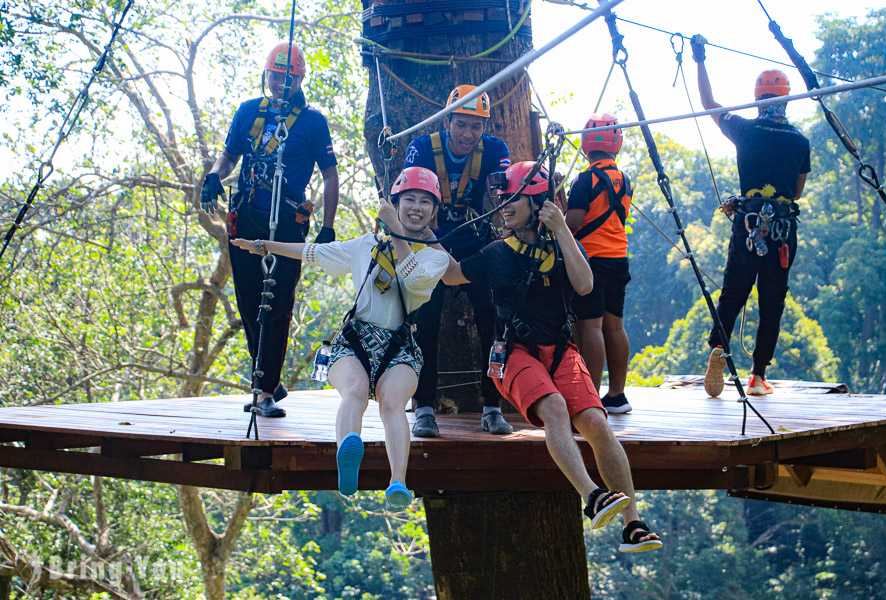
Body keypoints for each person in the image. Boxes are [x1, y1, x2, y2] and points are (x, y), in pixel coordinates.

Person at [441, 161, 663, 553]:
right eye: (502, 198)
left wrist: (561, 230)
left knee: (596, 420)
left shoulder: (559, 247)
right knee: (556, 408)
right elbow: (453, 275)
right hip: (513, 353)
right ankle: (592, 497)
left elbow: (585, 284)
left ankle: (633, 523)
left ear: (538, 203)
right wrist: (424, 237)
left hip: (559, 350)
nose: (504, 205)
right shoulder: (497, 253)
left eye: (513, 198)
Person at [231, 167, 449, 507]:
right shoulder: (366, 246)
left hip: (399, 345)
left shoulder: (436, 258)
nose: (416, 207)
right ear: (396, 202)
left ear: (434, 211)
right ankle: (348, 450)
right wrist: (264, 246)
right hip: (356, 339)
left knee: (393, 404)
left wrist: (395, 231)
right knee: (354, 393)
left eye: (424, 202)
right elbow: (313, 253)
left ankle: (398, 482)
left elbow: (412, 281)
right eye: (409, 200)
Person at [201, 41, 339, 417]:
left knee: (276, 303)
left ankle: (262, 390)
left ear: (300, 79)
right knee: (248, 301)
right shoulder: (248, 112)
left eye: (290, 78)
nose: (282, 84)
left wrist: (327, 227)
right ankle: (268, 377)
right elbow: (229, 153)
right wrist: (214, 176)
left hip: (287, 224)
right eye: (277, 77)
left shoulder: (312, 122)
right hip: (245, 216)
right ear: (267, 76)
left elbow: (330, 174)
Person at [691, 36, 810, 397]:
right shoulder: (799, 141)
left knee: (734, 292)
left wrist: (700, 60)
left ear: (757, 98)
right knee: (772, 299)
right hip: (782, 229)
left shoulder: (745, 130)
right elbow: (797, 191)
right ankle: (758, 376)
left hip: (748, 223)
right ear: (786, 99)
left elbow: (709, 104)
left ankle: (718, 349)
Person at [403, 84, 513, 437]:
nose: (468, 133)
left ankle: (493, 404)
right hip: (432, 242)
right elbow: (408, 197)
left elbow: (506, 190)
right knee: (426, 321)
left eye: (476, 126)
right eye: (462, 124)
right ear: (447, 121)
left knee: (493, 322)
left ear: (484, 128)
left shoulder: (494, 150)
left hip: (475, 242)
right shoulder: (421, 148)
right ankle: (423, 407)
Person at [566, 113, 634, 414]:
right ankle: (617, 394)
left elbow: (575, 223)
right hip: (618, 257)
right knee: (614, 326)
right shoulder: (624, 181)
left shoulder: (586, 180)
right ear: (615, 144)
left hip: (591, 259)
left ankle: (589, 398)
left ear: (586, 146)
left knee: (589, 326)